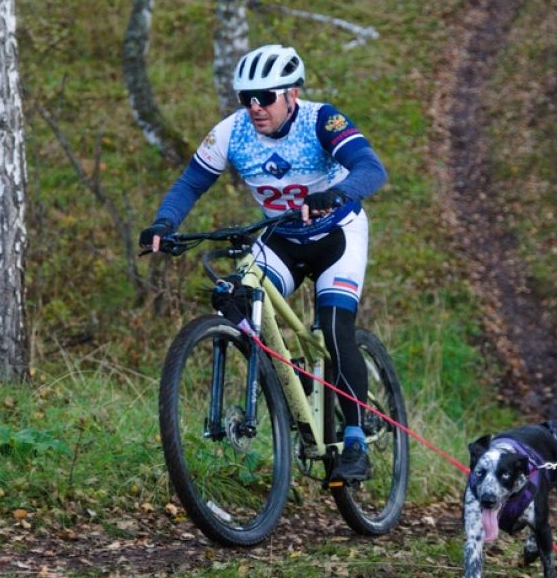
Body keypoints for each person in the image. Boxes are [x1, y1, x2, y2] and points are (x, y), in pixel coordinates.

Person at [140, 44, 388, 484]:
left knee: (333, 326)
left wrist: (340, 191)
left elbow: (371, 168)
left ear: (292, 94)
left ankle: (353, 438)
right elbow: (190, 183)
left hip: (338, 234)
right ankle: (293, 378)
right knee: (232, 299)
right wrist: (164, 223)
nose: (256, 108)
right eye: (246, 98)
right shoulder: (232, 133)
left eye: (266, 97)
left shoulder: (321, 119)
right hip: (283, 239)